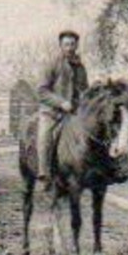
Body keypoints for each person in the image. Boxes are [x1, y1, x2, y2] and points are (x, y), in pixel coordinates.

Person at [35, 29, 89, 190]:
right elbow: (41, 91)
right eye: (66, 44)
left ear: (77, 45)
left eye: (73, 44)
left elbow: (84, 91)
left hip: (73, 114)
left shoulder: (80, 67)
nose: (70, 48)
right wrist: (61, 102)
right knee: (45, 136)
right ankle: (43, 173)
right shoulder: (51, 63)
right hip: (52, 112)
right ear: (60, 45)